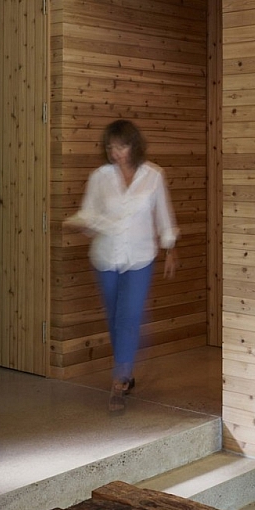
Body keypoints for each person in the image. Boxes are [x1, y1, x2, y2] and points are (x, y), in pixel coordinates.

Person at [66, 119, 178, 411]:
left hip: (141, 257)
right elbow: (88, 215)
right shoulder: (100, 177)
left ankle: (119, 381)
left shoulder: (153, 175)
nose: (116, 153)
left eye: (121, 146)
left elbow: (163, 214)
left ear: (134, 145)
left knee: (129, 315)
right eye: (111, 147)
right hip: (105, 257)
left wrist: (170, 249)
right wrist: (81, 224)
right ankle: (125, 369)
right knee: (116, 317)